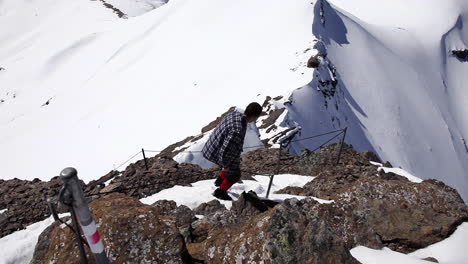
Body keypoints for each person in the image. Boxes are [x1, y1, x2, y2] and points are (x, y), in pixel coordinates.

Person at [202, 102, 262, 200]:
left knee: (231, 166)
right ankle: (220, 192)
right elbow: (226, 150)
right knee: (234, 175)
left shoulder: (234, 114)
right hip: (217, 152)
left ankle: (219, 181)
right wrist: (226, 166)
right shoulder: (237, 130)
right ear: (255, 117)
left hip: (211, 146)